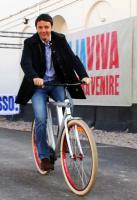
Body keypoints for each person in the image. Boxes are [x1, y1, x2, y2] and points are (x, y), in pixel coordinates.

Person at [15, 13, 91, 171]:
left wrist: (83, 75)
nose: (43, 30)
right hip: (39, 87)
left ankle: (63, 141)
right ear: (36, 28)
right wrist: (34, 77)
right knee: (41, 119)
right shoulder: (30, 42)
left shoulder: (60, 39)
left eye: (46, 27)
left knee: (69, 105)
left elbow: (72, 58)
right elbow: (25, 62)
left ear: (51, 27)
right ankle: (44, 156)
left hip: (57, 83)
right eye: (40, 27)